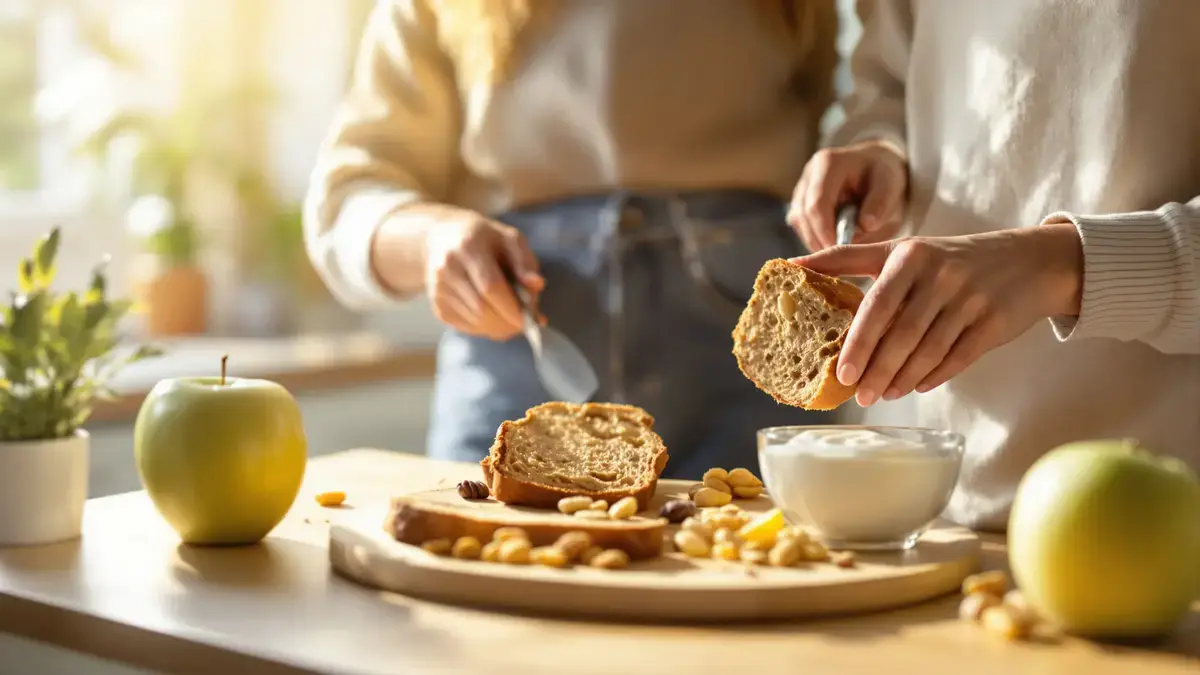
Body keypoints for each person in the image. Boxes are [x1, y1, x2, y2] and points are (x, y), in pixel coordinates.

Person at [304, 1, 841, 478]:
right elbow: (347, 198)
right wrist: (432, 241)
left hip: (748, 380)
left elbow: (852, 127)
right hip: (517, 361)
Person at [790, 0, 1200, 531]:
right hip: (913, 488)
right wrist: (878, 144)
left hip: (1155, 510)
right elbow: (887, 78)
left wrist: (1063, 264)